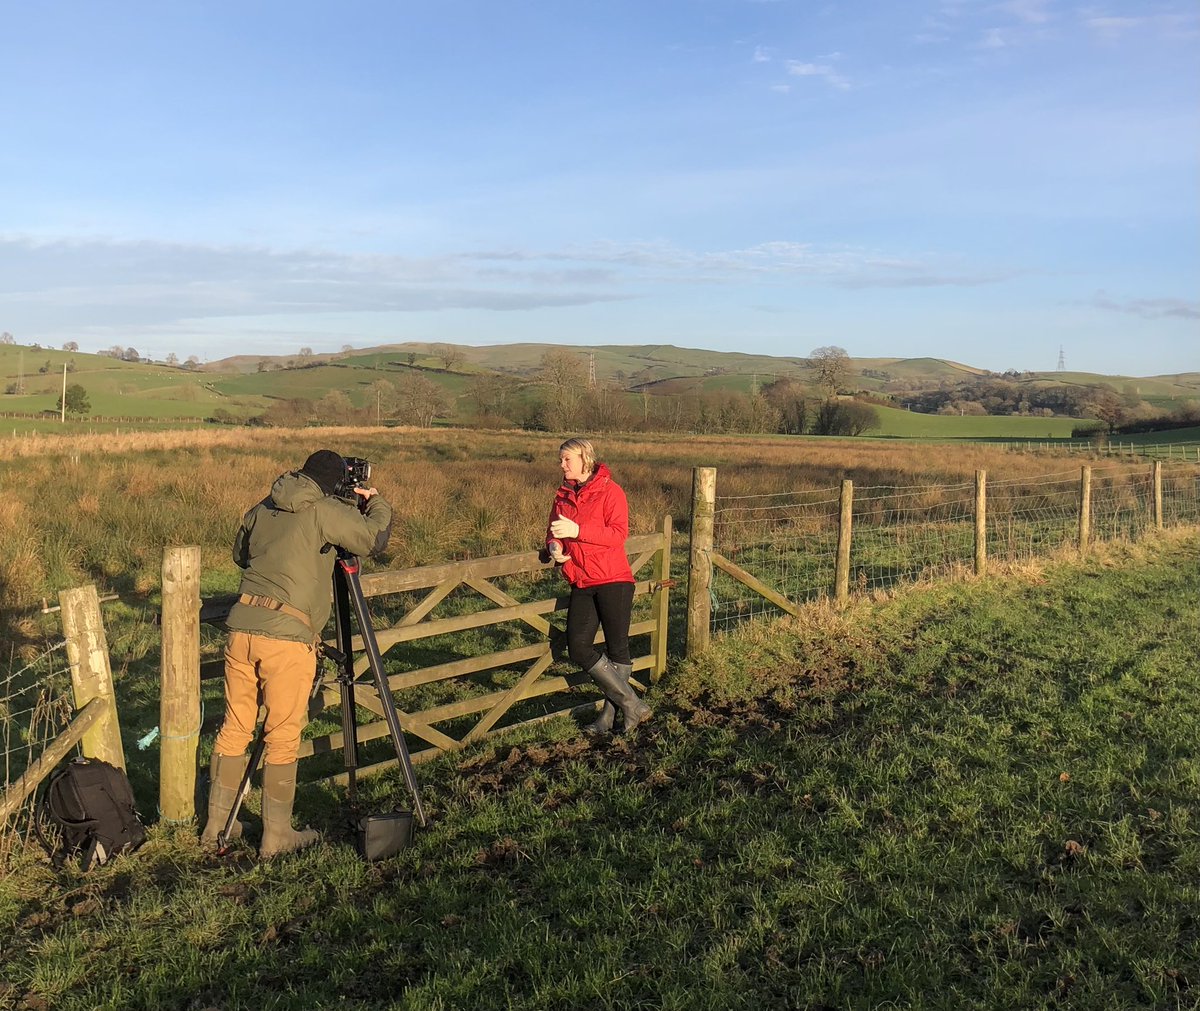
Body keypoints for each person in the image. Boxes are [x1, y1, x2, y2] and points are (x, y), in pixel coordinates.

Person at [201, 449, 392, 857]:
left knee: (235, 727)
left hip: (242, 628)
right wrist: (376, 501)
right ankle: (277, 835)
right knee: (283, 736)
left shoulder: (264, 505)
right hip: (287, 638)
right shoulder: (323, 511)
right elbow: (371, 539)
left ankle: (218, 825)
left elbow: (240, 554)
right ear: (336, 482)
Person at [546, 437, 651, 735]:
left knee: (618, 650)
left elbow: (618, 535)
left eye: (567, 459)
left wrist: (577, 530)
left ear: (585, 459)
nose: (562, 464)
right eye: (560, 459)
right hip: (580, 580)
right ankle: (632, 704)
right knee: (578, 646)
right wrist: (554, 548)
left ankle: (608, 719)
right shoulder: (562, 496)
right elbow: (552, 534)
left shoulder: (611, 492)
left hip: (613, 580)